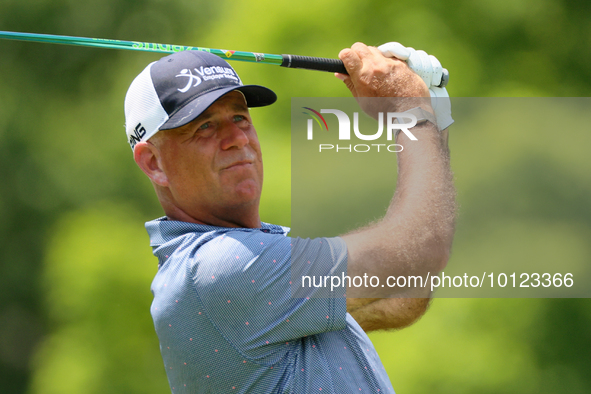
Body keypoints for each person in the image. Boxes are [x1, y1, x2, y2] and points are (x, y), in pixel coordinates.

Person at [124, 42, 455, 393]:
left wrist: (435, 116)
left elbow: (401, 294)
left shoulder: (255, 268)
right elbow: (416, 252)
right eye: (204, 126)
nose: (237, 138)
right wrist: (409, 108)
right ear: (153, 163)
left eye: (239, 118)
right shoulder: (216, 268)